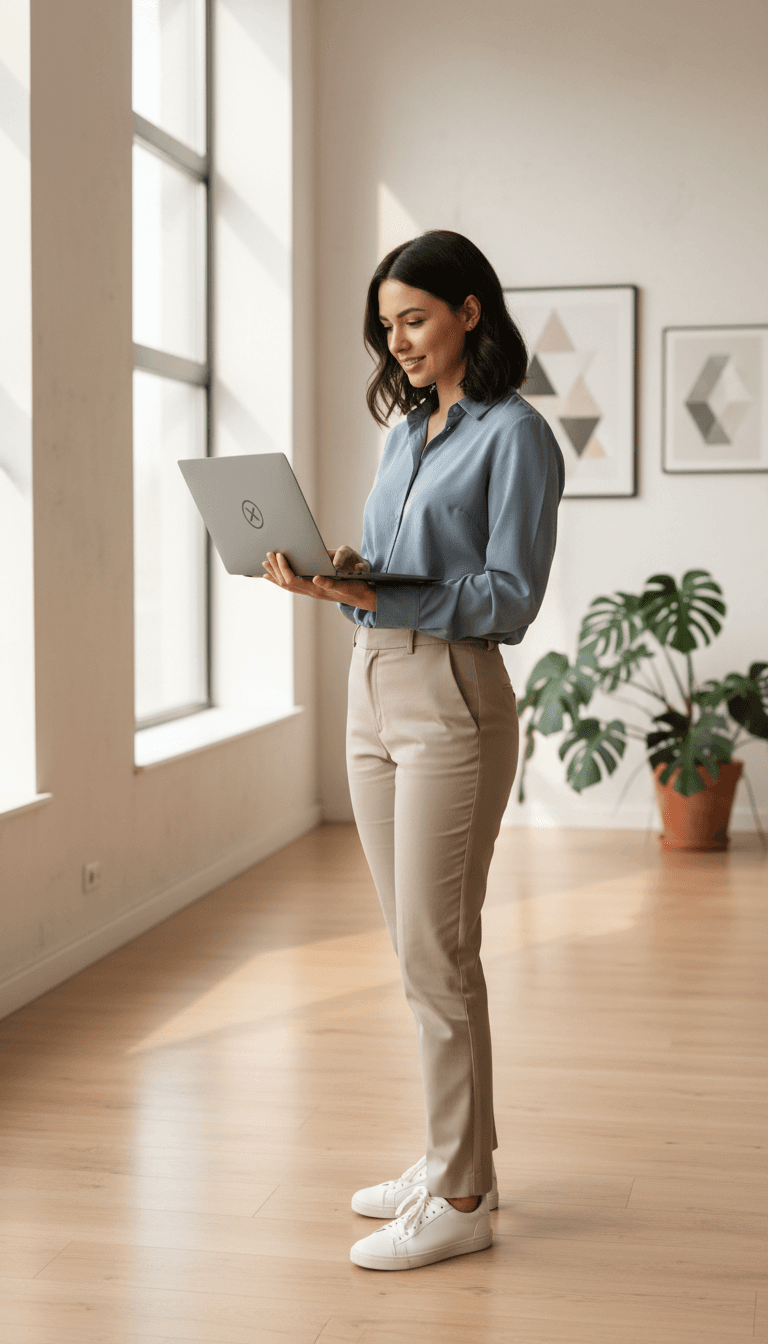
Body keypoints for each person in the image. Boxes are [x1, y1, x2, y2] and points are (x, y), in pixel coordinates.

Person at [262, 230, 564, 1271]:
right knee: (417, 952)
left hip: (452, 695)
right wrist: (340, 575)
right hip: (373, 685)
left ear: (470, 312)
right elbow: (398, 564)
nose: (398, 344)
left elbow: (509, 599)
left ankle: (463, 1195)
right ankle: (452, 1156)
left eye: (416, 320)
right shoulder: (406, 434)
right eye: (386, 327)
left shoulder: (516, 436)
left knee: (439, 955)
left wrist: (384, 589)